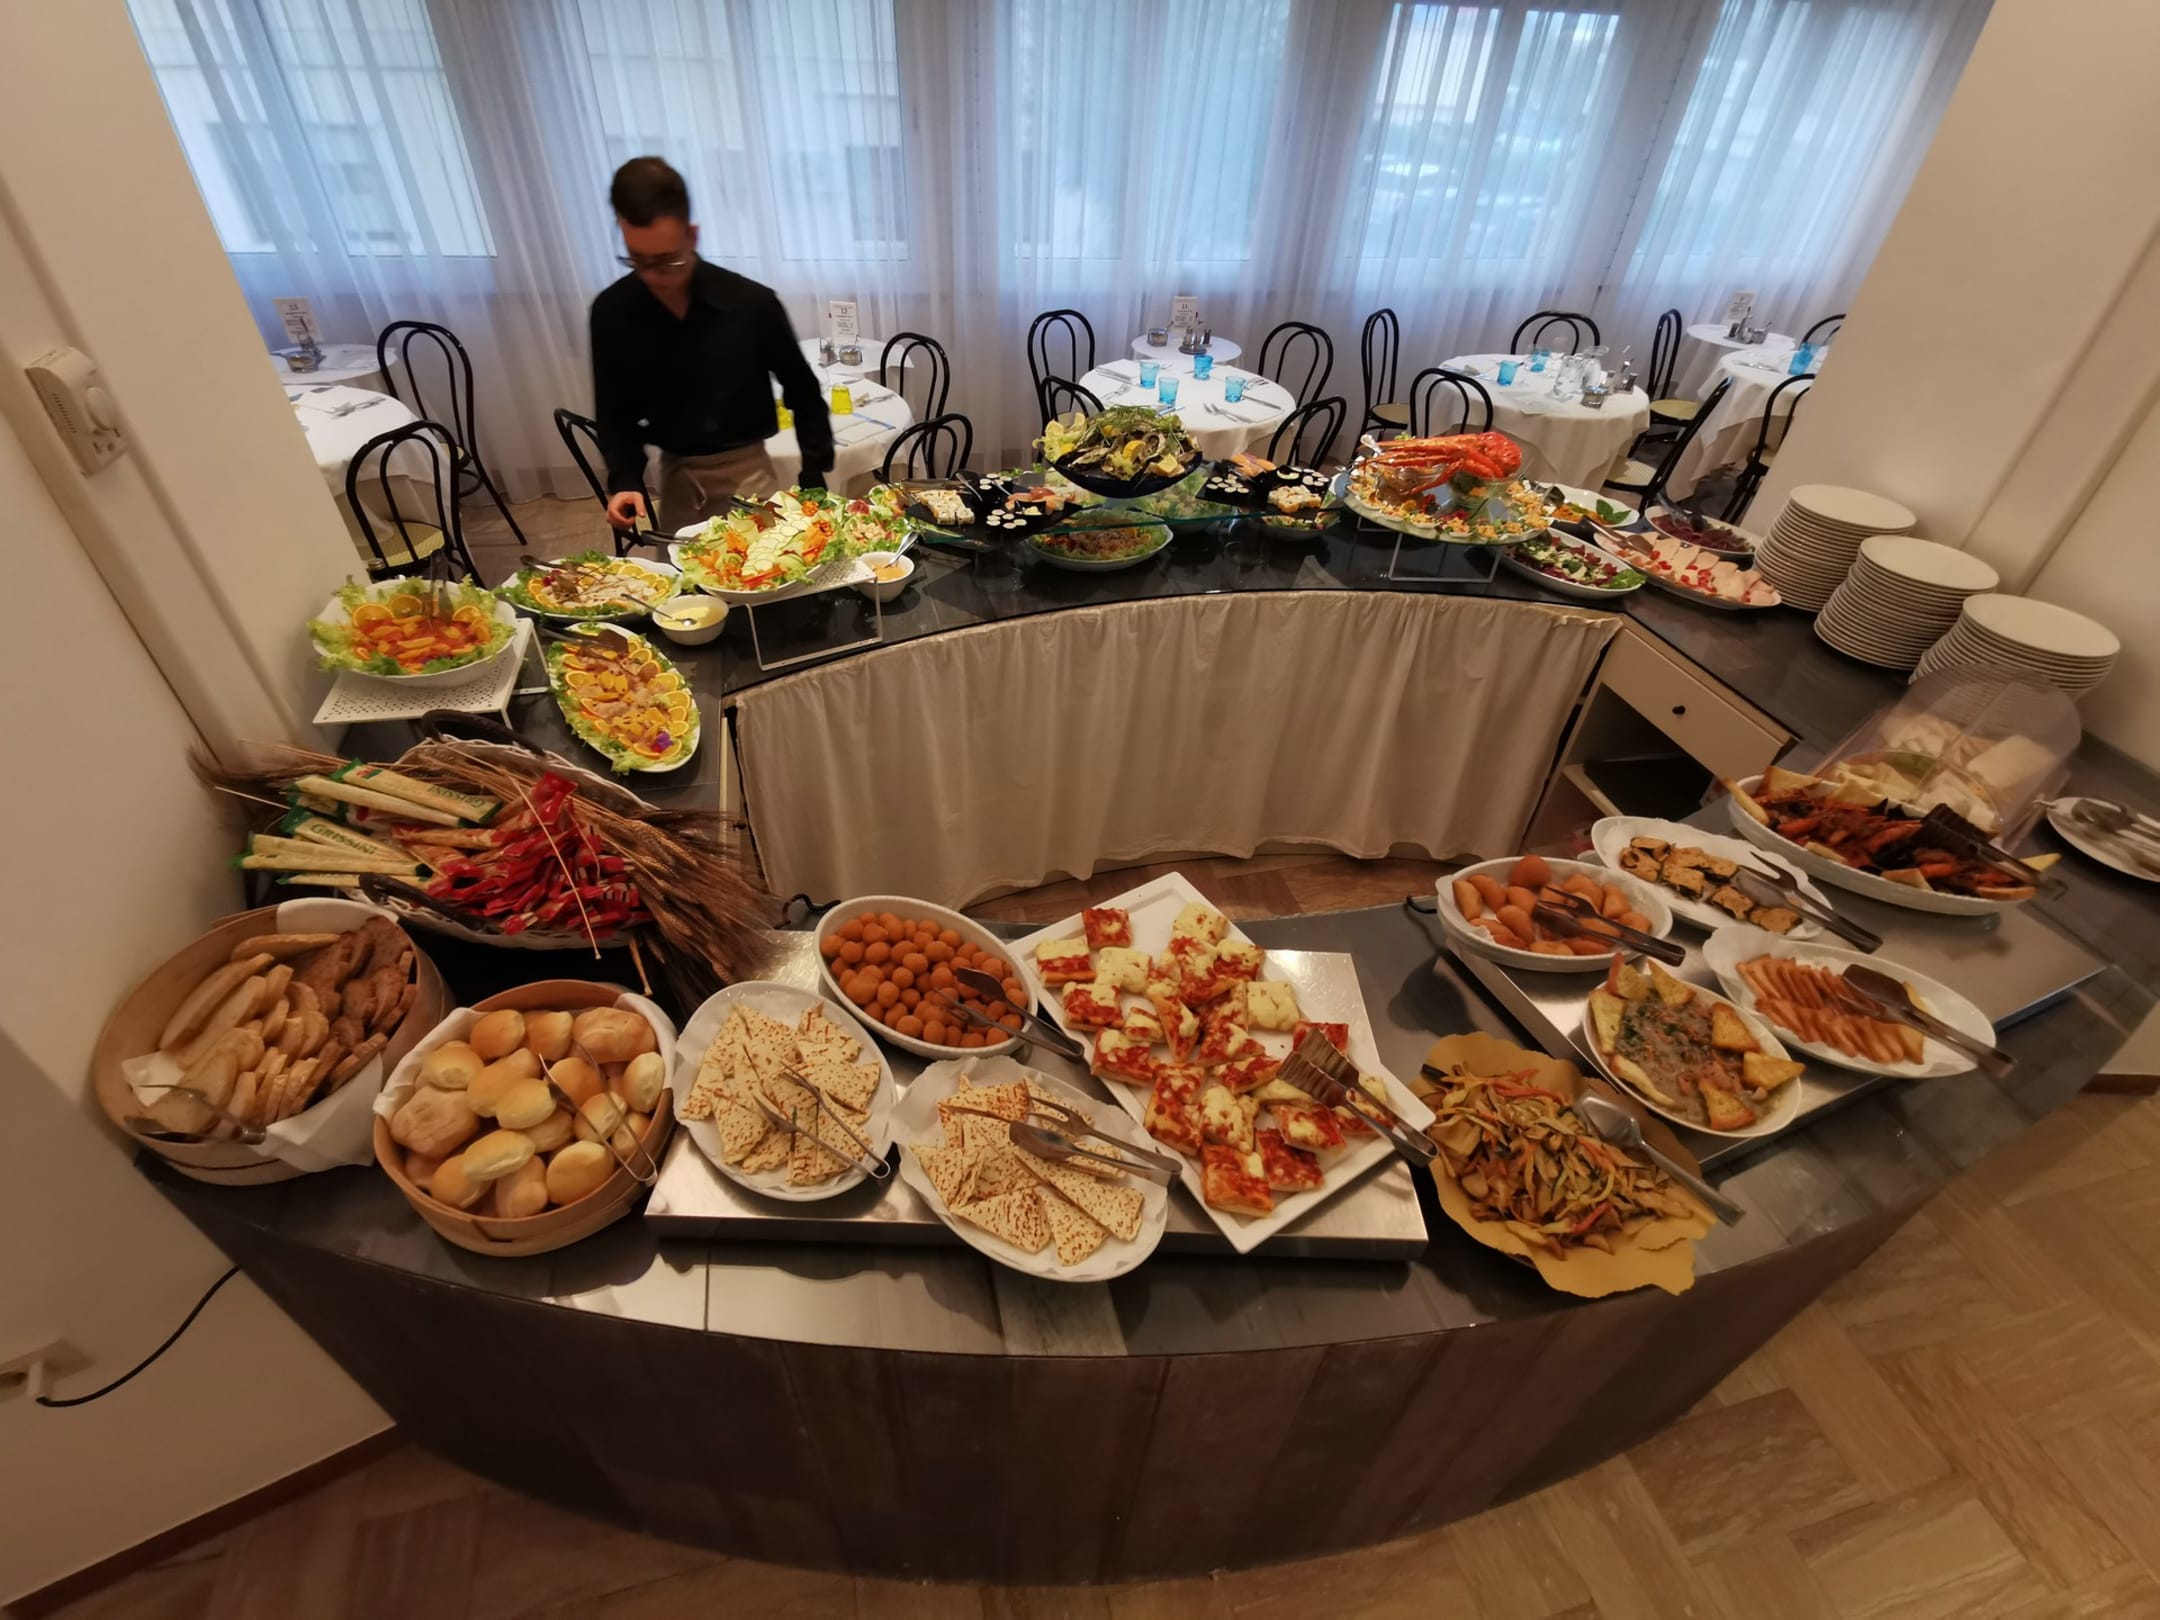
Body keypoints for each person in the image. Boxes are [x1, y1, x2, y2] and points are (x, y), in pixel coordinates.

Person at [589, 156, 833, 531]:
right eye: (637, 260)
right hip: (678, 477)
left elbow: (803, 391)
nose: (653, 277)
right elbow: (613, 412)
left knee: (768, 563)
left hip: (748, 474)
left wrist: (813, 474)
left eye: (667, 261)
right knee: (682, 569)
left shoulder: (752, 304)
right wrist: (625, 479)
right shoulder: (612, 311)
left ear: (692, 236)